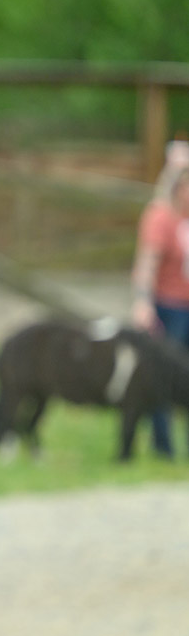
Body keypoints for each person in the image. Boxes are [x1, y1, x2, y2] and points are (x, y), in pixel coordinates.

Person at [131, 132, 189, 457]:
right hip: (169, 307)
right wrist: (142, 301)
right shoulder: (161, 217)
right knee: (164, 378)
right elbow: (147, 262)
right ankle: (163, 448)